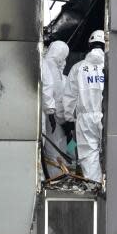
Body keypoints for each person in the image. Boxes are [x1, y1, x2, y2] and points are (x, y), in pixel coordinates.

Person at [63, 30, 105, 182]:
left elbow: (69, 96)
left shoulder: (78, 68)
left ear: (89, 45)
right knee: (112, 152)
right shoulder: (111, 66)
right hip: (108, 117)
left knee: (89, 155)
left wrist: (68, 118)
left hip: (85, 119)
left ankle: (95, 187)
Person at [41, 40, 70, 179]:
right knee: (55, 151)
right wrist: (61, 119)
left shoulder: (43, 62)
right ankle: (56, 179)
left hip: (44, 114)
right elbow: (55, 95)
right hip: (52, 117)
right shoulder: (51, 67)